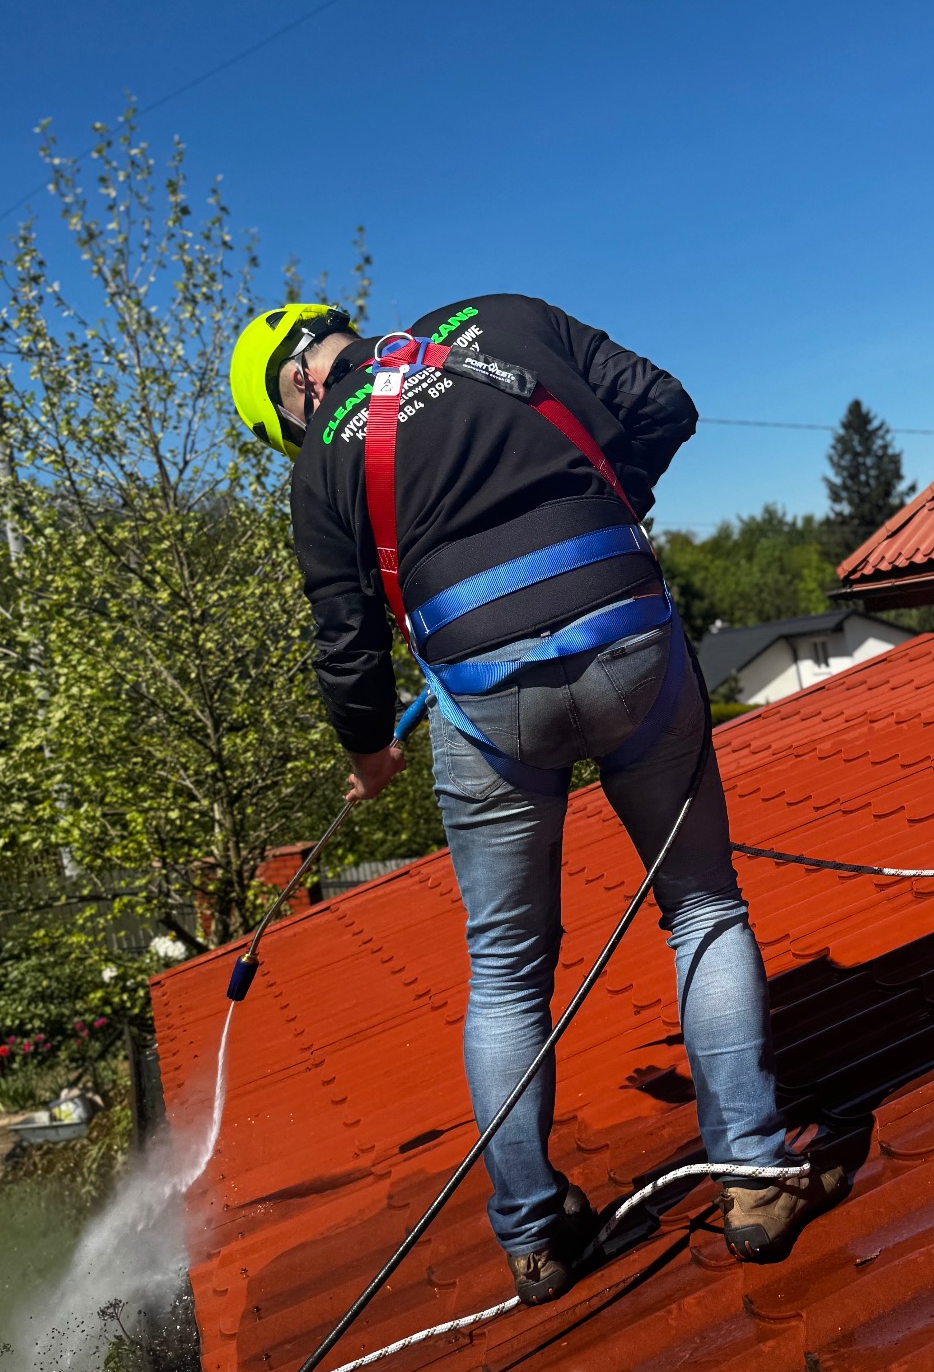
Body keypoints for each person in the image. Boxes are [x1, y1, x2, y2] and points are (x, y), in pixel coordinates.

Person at [229, 294, 845, 1302]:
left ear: (295, 386)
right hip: (634, 643)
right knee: (700, 903)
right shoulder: (502, 317)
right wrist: (604, 509)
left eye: (283, 427)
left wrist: (365, 749)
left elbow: (345, 645)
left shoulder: (321, 462)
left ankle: (534, 1233)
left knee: (507, 972)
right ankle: (756, 1173)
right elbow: (664, 402)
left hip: (483, 701)